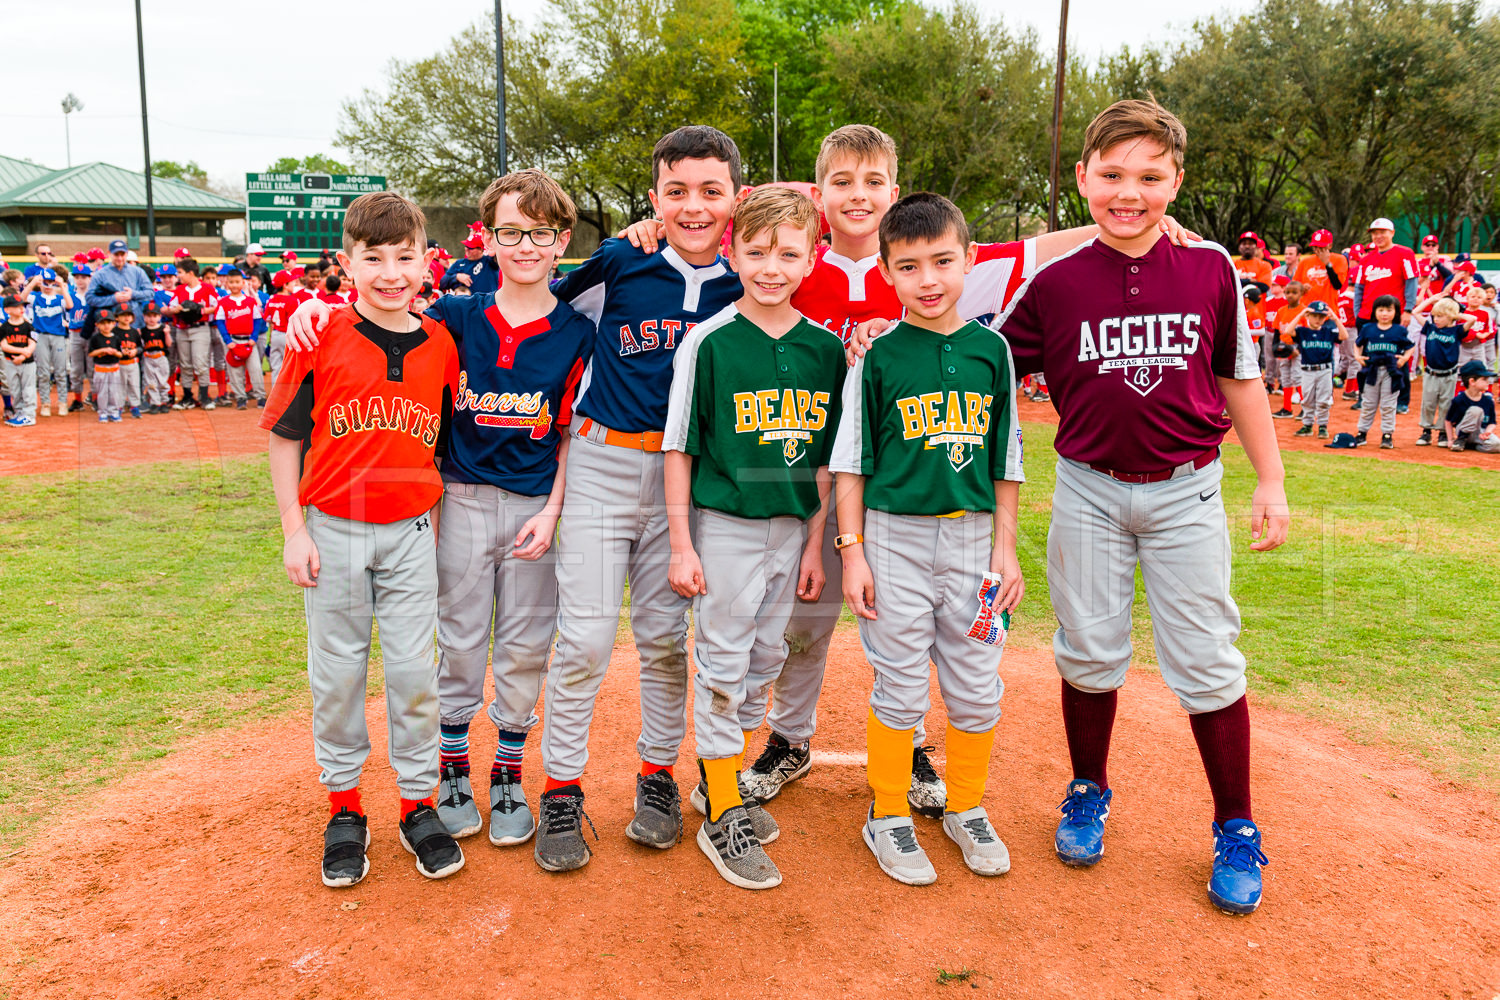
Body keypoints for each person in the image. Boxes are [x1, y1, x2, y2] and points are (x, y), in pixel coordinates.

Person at [994, 98, 1288, 915]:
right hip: (1088, 489)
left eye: (1151, 178)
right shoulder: (1055, 282)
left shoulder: (1209, 267)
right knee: (1088, 651)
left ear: (1177, 182)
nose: (1130, 193)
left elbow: (1239, 377)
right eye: (1113, 175)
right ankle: (1088, 789)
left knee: (1207, 659)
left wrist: (1269, 479)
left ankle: (1236, 826)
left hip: (1188, 489)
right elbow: (984, 359)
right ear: (1082, 177)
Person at [535, 125, 749, 870]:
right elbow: (534, 305)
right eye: (676, 191)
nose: (694, 207)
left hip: (683, 480)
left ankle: (657, 775)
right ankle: (561, 788)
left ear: (735, 199)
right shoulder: (622, 260)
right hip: (602, 461)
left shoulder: (746, 283)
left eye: (711, 191)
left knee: (663, 639)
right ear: (655, 197)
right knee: (587, 639)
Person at [260, 190, 464, 888]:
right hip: (334, 529)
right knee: (338, 674)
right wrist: (293, 530)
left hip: (410, 533)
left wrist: (433, 530)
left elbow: (441, 445)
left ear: (427, 261)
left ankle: (417, 803)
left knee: (413, 675)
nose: (390, 273)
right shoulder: (318, 335)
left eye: (405, 257)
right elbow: (285, 438)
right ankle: (344, 806)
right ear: (346, 263)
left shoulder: (441, 344)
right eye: (372, 258)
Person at [833, 191, 1024, 887]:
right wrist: (852, 552)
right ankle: (887, 813)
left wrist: (1005, 550)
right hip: (894, 540)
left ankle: (966, 806)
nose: (929, 279)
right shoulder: (879, 356)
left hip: (973, 540)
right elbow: (850, 460)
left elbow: (1006, 458)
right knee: (901, 684)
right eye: (909, 266)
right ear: (886, 271)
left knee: (976, 684)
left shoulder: (992, 350)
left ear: (970, 259)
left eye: (943, 261)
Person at [662, 187, 843, 890]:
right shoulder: (709, 341)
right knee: (724, 662)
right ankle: (722, 812)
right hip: (727, 528)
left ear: (811, 259)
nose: (772, 267)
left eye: (788, 254)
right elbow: (679, 447)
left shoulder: (825, 349)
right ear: (732, 252)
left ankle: (720, 782)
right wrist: (683, 544)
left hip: (793, 529)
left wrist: (814, 544)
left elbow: (826, 464)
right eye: (758, 251)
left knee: (765, 659)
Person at [1409, 294, 1473, 446]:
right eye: (1435, 316)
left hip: (1449, 374)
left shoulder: (1457, 330)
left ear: (1450, 317)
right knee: (1428, 403)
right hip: (1431, 373)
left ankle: (1443, 432)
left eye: (1440, 316)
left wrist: (1454, 313)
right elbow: (1415, 312)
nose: (1436, 319)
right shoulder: (1430, 328)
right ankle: (1426, 431)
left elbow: (1472, 319)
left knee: (1446, 404)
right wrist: (1431, 300)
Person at [1354, 294, 1414, 448]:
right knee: (1368, 403)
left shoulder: (1399, 330)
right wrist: (1357, 356)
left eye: (1389, 310)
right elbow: (1357, 343)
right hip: (1372, 370)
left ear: (1396, 312)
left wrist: (1404, 358)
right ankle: (1362, 433)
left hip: (1391, 372)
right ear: (1374, 311)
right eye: (1380, 310)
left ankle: (1387, 435)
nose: (1384, 314)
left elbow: (1410, 346)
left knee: (1388, 404)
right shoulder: (1368, 328)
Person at [1284, 299, 1345, 438]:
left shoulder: (1328, 332)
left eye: (1321, 316)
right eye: (1314, 315)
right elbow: (1288, 331)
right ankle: (1307, 425)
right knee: (1307, 399)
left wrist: (1335, 319)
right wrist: (1301, 314)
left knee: (1323, 400)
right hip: (1307, 370)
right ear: (1308, 316)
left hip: (1325, 370)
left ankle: (1323, 426)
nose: (1318, 319)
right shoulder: (1302, 331)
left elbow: (1344, 336)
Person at [168, 259, 221, 409]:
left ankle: (204, 397)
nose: (178, 276)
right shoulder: (180, 289)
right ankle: (187, 397)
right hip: (183, 329)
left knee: (200, 363)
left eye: (180, 273)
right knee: (185, 364)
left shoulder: (207, 288)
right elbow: (171, 307)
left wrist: (202, 310)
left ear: (190, 273)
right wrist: (178, 309)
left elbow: (218, 305)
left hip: (200, 328)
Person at [21, 268, 73, 417]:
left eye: (51, 282)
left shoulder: (59, 298)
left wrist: (61, 285)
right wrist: (33, 283)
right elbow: (22, 298)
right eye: (45, 282)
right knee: (43, 372)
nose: (48, 285)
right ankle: (45, 403)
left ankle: (62, 402)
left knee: (60, 371)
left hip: (58, 336)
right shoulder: (36, 296)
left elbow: (69, 305)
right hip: (41, 336)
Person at [214, 268, 267, 409]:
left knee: (255, 369)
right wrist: (227, 340)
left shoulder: (250, 301)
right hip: (233, 341)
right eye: (231, 282)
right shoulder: (223, 302)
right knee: (234, 371)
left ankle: (260, 396)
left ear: (243, 283)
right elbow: (220, 322)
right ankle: (240, 397)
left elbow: (257, 320)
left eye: (237, 282)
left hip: (249, 340)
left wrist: (254, 337)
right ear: (227, 283)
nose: (234, 285)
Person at [86, 240, 154, 332]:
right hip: (110, 326)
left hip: (135, 324)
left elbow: (150, 293)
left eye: (122, 254)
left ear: (127, 254)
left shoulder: (137, 272)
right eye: (116, 255)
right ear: (109, 253)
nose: (120, 258)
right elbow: (90, 298)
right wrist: (113, 298)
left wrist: (133, 294)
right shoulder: (100, 275)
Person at [1444, 361, 1499, 452]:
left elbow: (1492, 422)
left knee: (1497, 445)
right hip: (1461, 431)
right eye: (1484, 379)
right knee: (1475, 410)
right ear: (1472, 381)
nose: (1488, 382)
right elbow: (1448, 421)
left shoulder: (1488, 401)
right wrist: (1450, 439)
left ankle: (1471, 445)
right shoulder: (1459, 400)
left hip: (1479, 433)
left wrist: (1487, 432)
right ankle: (1462, 439)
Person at [1270, 280, 1306, 417]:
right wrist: (1275, 347)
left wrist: (1300, 350)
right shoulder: (1281, 311)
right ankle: (1287, 408)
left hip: (1298, 348)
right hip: (1284, 347)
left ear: (1301, 294)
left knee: (1298, 377)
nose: (1290, 295)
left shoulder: (1304, 311)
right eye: (1288, 292)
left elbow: (1307, 334)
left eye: (1294, 292)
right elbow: (1277, 332)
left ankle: (1305, 409)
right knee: (1285, 377)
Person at [1, 295, 38, 426]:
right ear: (7, 310)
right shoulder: (4, 327)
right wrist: (23, 351)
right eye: (17, 306)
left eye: (22, 306)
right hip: (10, 363)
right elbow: (4, 346)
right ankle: (19, 412)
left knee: (28, 388)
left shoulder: (28, 326)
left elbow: (32, 343)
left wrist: (23, 356)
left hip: (27, 363)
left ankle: (29, 415)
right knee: (15, 389)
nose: (21, 309)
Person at [87, 308, 125, 423]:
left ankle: (113, 411)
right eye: (102, 323)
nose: (106, 326)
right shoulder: (95, 338)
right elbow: (91, 353)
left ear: (114, 323)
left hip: (114, 368)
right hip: (100, 369)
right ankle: (103, 412)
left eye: (109, 322)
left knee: (114, 391)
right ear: (97, 325)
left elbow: (121, 354)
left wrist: (114, 352)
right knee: (102, 392)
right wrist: (103, 350)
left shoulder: (116, 338)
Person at [65, 264, 94, 411]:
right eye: (77, 277)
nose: (80, 280)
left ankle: (94, 397)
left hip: (92, 334)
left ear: (90, 278)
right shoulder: (70, 295)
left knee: (92, 368)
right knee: (76, 369)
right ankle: (77, 399)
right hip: (75, 333)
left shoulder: (94, 296)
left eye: (84, 277)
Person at [439, 226, 500, 295]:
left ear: (480, 249)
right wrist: (456, 277)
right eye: (466, 246)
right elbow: (442, 283)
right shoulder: (459, 263)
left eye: (470, 248)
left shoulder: (489, 261)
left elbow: (498, 249)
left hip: (487, 300)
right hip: (466, 300)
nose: (466, 249)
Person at [139, 303, 173, 414]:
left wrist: (167, 334)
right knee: (151, 382)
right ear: (144, 317)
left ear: (159, 317)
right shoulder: (143, 331)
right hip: (148, 358)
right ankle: (155, 402)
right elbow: (141, 346)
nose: (152, 319)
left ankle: (164, 401)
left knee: (162, 381)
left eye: (154, 316)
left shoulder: (163, 329)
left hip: (161, 357)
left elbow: (169, 344)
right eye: (148, 316)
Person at [114, 304, 144, 419]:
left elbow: (140, 347)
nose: (126, 317)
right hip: (119, 364)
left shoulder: (134, 332)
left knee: (134, 385)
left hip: (133, 363)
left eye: (129, 315)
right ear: (116, 317)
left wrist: (135, 351)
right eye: (123, 315)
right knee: (119, 387)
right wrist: (120, 352)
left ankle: (134, 406)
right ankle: (119, 407)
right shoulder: (114, 332)